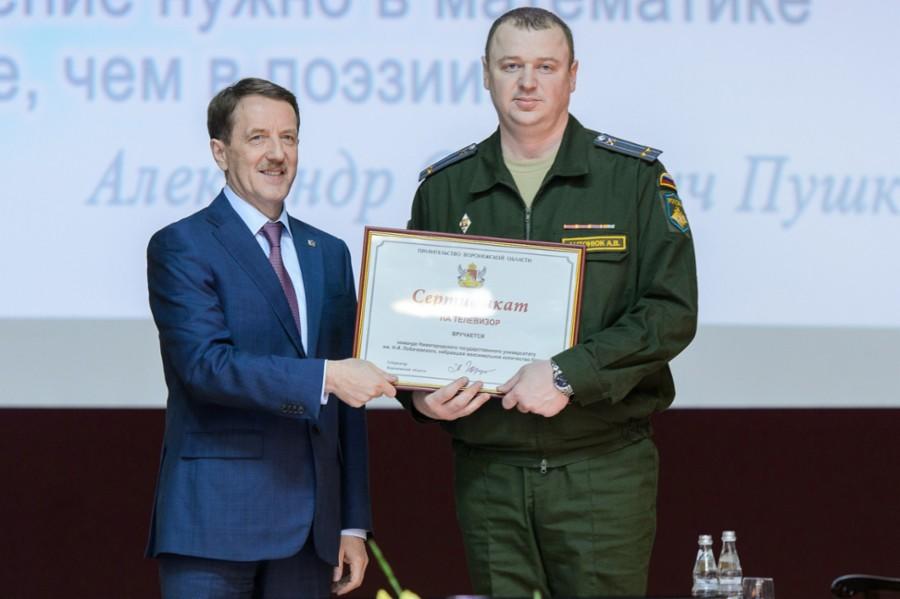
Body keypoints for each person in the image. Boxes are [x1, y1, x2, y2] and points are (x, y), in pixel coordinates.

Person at [401, 8, 698, 598]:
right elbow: (416, 317)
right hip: (490, 473)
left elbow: (670, 311)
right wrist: (418, 395)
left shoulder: (633, 179)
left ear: (573, 75)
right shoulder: (445, 189)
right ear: (486, 74)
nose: (527, 83)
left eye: (545, 67)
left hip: (601, 471)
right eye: (511, 66)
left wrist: (567, 374)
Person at [145, 77, 397, 598]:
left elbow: (347, 406)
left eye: (289, 137)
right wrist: (326, 377)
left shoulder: (329, 253)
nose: (277, 154)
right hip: (214, 523)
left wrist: (352, 523)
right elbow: (205, 367)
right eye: (257, 137)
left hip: (312, 533)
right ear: (220, 151)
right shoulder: (182, 245)